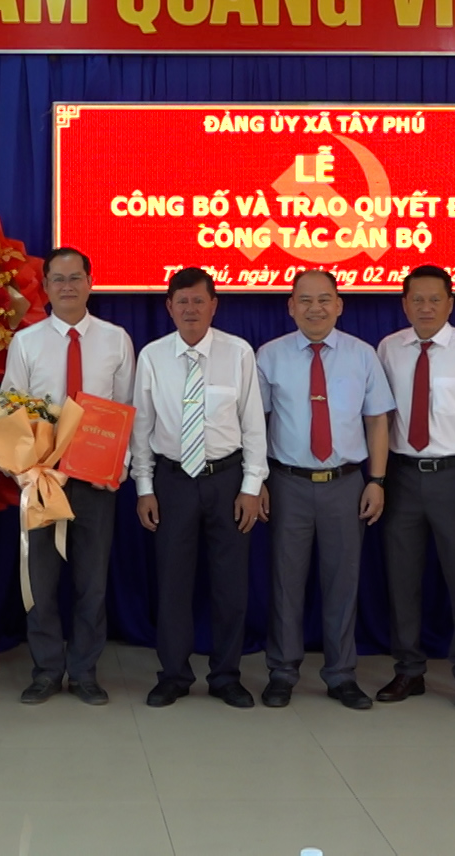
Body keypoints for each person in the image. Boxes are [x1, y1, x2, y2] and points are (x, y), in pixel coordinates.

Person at [0, 247, 135, 706]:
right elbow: (10, 410)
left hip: (96, 482)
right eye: (58, 279)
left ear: (90, 282)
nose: (67, 286)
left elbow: (127, 411)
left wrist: (118, 468)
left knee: (91, 582)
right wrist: (25, 468)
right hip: (43, 480)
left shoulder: (116, 339)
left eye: (76, 277)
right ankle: (45, 671)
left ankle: (84, 672)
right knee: (40, 580)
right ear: (45, 287)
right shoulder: (27, 342)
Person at [256, 269, 395, 710]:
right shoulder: (269, 356)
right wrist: (258, 480)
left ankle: (341, 674)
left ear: (339, 304)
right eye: (305, 300)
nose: (314, 308)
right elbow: (255, 423)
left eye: (324, 300)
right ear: (290, 306)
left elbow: (377, 421)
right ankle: (282, 672)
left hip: (345, 484)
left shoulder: (362, 355)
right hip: (287, 483)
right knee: (285, 583)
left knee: (342, 582)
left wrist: (376, 481)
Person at [132, 267, 268, 709]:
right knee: (172, 582)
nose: (190, 309)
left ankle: (226, 676)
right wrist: (144, 487)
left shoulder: (238, 352)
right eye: (182, 302)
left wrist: (252, 486)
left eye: (198, 301)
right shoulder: (152, 356)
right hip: (172, 481)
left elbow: (253, 424)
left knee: (231, 584)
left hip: (227, 480)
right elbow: (141, 427)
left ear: (214, 305)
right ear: (169, 307)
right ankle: (173, 675)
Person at [375, 264, 455, 713]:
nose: (425, 307)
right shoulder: (389, 348)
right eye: (417, 299)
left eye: (434, 299)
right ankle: (408, 670)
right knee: (402, 578)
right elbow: (379, 417)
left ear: (450, 303)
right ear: (404, 304)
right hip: (402, 477)